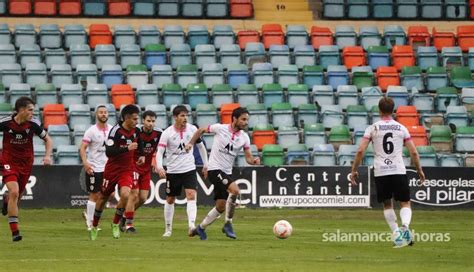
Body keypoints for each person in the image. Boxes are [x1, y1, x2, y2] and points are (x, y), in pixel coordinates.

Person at [350, 97, 425, 248]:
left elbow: (360, 151)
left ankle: (397, 234)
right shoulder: (401, 128)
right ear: (393, 110)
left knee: (387, 204)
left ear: (379, 110)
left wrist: (354, 170)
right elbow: (414, 153)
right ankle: (405, 226)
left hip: (381, 171)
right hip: (398, 169)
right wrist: (419, 170)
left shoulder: (373, 128)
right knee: (405, 202)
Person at [186, 107, 260, 240]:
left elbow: (248, 158)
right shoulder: (220, 128)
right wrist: (191, 143)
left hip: (226, 172)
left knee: (220, 206)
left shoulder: (244, 137)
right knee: (235, 190)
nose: (246, 122)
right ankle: (228, 224)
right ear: (234, 119)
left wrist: (253, 161)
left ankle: (200, 229)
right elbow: (201, 130)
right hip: (214, 169)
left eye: (247, 120)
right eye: (243, 119)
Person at [1, 97, 53, 242]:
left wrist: (47, 156)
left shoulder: (33, 124)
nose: (32, 113)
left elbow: (48, 140)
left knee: (17, 196)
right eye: (30, 110)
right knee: (15, 191)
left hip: (26, 164)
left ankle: (6, 202)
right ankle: (15, 231)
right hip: (8, 162)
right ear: (22, 110)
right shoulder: (6, 122)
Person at [90, 104, 145, 241]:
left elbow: (140, 142)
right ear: (126, 118)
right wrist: (127, 148)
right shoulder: (115, 131)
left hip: (127, 169)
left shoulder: (136, 131)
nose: (136, 122)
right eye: (134, 119)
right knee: (102, 198)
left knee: (126, 195)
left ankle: (115, 223)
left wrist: (142, 155)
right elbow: (109, 152)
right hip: (112, 170)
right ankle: (94, 226)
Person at [155, 105, 208, 237]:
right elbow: (160, 152)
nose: (185, 118)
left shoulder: (192, 129)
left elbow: (201, 147)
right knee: (170, 199)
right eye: (182, 116)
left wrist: (206, 165)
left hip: (189, 169)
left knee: (191, 195)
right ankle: (168, 229)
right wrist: (160, 167)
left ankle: (191, 225)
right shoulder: (167, 133)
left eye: (186, 115)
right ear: (175, 117)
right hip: (173, 171)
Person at [120, 110, 162, 233]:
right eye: (148, 121)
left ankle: (124, 216)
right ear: (143, 121)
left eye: (153, 121)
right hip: (133, 167)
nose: (151, 124)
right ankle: (129, 225)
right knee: (134, 194)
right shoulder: (135, 132)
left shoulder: (159, 133)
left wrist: (155, 161)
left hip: (146, 169)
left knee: (143, 198)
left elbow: (161, 149)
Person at [79, 104, 113, 231]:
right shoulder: (91, 131)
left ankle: (90, 215)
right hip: (94, 167)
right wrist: (85, 163)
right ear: (96, 115)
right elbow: (82, 148)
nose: (103, 114)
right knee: (94, 194)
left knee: (107, 194)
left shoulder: (112, 129)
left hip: (109, 167)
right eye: (101, 112)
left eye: (105, 112)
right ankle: (90, 222)